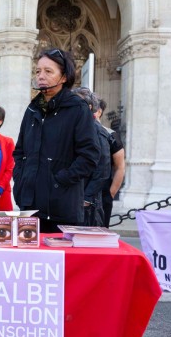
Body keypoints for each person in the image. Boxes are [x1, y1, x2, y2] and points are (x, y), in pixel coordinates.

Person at [12, 48, 99, 233]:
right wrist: (20, 180)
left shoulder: (78, 108)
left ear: (64, 77)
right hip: (29, 207)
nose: (41, 76)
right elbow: (19, 151)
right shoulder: (32, 109)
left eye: (48, 71)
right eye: (38, 71)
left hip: (62, 210)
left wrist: (59, 181)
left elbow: (89, 156)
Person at [72, 87, 111, 227]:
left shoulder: (97, 131)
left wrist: (87, 198)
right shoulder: (74, 128)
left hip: (88, 206)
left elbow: (103, 169)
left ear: (89, 107)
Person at [95, 99, 125, 228]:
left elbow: (120, 167)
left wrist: (110, 194)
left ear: (99, 111)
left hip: (102, 195)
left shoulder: (111, 135)